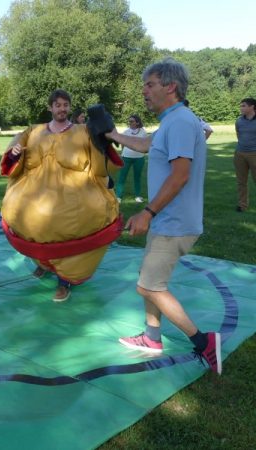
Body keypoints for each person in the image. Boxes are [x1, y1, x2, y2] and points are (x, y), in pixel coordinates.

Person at [105, 57, 221, 375]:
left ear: (170, 87)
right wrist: (111, 134)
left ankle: (204, 342)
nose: (144, 91)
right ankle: (152, 337)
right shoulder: (172, 120)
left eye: (150, 84)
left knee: (148, 286)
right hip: (166, 221)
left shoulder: (182, 121)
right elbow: (143, 144)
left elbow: (180, 174)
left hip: (174, 222)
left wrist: (147, 211)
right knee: (150, 278)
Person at [0, 89, 123, 302]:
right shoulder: (33, 131)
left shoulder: (83, 131)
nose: (62, 109)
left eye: (66, 105)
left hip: (74, 196)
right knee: (30, 224)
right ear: (50, 107)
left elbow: (102, 162)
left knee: (71, 231)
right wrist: (14, 154)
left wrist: (102, 139)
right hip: (37, 193)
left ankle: (64, 281)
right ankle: (43, 263)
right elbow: (13, 156)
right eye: (58, 105)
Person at [115, 114, 148, 203]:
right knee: (122, 177)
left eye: (132, 121)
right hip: (126, 157)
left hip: (139, 158)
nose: (130, 123)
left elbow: (145, 144)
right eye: (129, 121)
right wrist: (123, 153)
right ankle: (118, 196)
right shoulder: (126, 132)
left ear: (137, 122)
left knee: (137, 177)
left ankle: (137, 196)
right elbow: (122, 143)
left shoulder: (143, 132)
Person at [234, 97, 256, 212]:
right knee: (241, 181)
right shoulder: (239, 121)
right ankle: (242, 205)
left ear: (252, 107)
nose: (241, 108)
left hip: (254, 154)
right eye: (241, 106)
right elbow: (238, 134)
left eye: (244, 106)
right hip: (240, 153)